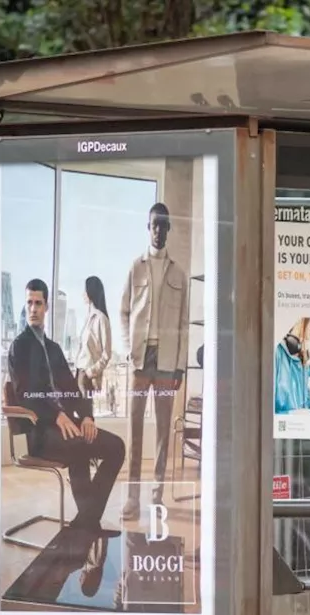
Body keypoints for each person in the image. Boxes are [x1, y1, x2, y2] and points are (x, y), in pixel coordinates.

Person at [8, 278, 126, 532]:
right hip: (40, 432)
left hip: (67, 424)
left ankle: (86, 520)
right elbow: (25, 394)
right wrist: (57, 416)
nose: (33, 309)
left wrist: (86, 416)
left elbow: (72, 389)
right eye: (29, 303)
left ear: (47, 307)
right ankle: (88, 522)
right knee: (78, 446)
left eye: (38, 303)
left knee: (117, 447)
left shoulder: (54, 349)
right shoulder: (19, 347)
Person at [120, 202, 190, 520]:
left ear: (169, 228)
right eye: (154, 225)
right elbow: (123, 312)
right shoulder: (135, 266)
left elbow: (185, 324)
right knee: (135, 428)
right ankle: (132, 497)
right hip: (139, 359)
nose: (159, 230)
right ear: (148, 228)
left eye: (164, 225)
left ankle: (157, 494)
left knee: (163, 430)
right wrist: (127, 348)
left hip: (166, 362)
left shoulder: (180, 273)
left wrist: (179, 366)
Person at [74, 275, 113, 411]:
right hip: (78, 372)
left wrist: (90, 373)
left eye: (85, 290)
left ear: (90, 292)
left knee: (86, 416)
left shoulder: (101, 319)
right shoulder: (88, 318)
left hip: (87, 376)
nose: (83, 294)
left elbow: (107, 354)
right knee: (78, 415)